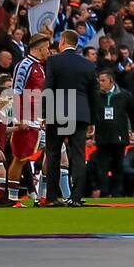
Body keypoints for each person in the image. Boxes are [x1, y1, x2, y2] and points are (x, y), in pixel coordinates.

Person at [44, 30, 98, 207]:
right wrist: (92, 120)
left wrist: (44, 113)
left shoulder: (53, 61)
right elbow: (94, 95)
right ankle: (75, 198)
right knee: (78, 155)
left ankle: (52, 197)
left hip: (58, 112)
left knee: (53, 154)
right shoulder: (88, 65)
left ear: (63, 41)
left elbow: (49, 88)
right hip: (80, 114)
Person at [0, 31, 50, 207]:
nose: (48, 51)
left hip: (36, 117)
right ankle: (12, 199)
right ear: (39, 48)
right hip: (26, 117)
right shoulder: (25, 65)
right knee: (20, 158)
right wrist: (18, 117)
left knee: (54, 152)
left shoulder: (39, 67)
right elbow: (16, 91)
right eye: (47, 48)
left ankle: (43, 197)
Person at [92, 69, 134, 197]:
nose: (100, 83)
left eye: (103, 80)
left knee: (118, 166)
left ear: (111, 81)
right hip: (102, 137)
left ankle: (117, 192)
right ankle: (104, 192)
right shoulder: (96, 96)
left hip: (119, 137)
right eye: (99, 80)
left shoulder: (125, 95)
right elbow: (91, 114)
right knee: (102, 167)